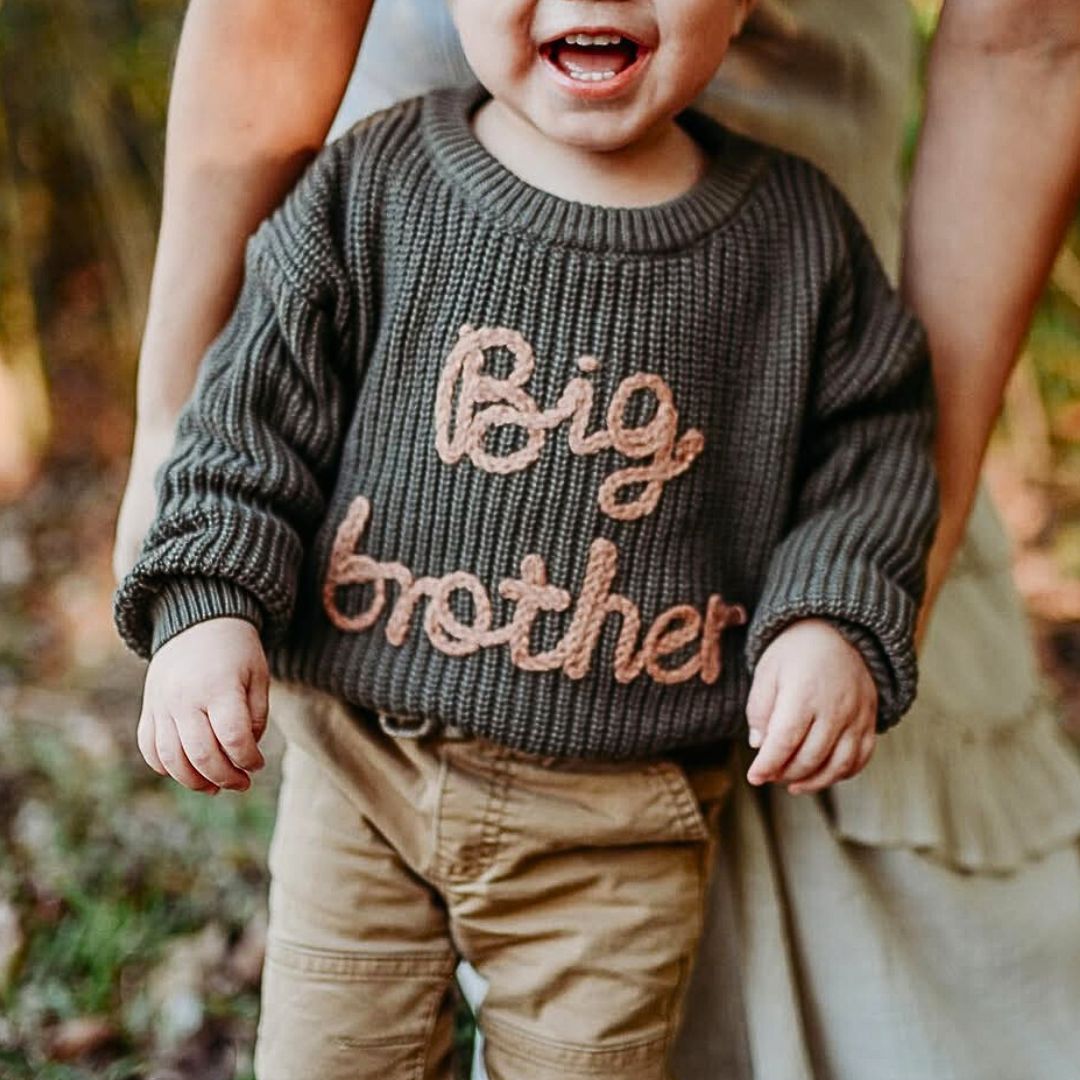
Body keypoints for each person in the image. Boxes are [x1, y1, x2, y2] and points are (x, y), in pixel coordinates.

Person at [112, 0, 1080, 1077]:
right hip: (363, 778)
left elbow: (874, 449)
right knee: (333, 1058)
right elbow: (253, 411)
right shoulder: (370, 185)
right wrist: (206, 597)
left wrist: (834, 616)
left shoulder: (800, 244)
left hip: (618, 825)